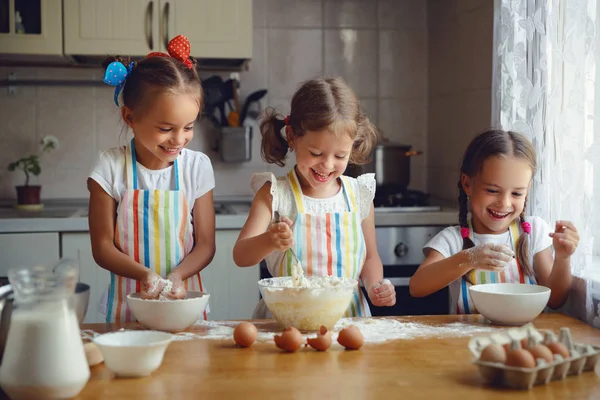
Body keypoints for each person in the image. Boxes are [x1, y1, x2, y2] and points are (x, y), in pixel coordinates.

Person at [233, 77, 396, 318]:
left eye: (340, 156)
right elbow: (241, 255)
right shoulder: (274, 195)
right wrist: (269, 241)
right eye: (316, 153)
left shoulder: (358, 195)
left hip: (348, 318)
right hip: (288, 319)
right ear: (292, 137)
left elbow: (370, 257)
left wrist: (374, 287)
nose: (327, 165)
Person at [87, 35, 216, 323]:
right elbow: (102, 247)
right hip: (127, 311)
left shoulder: (197, 167)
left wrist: (177, 277)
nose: (178, 139)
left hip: (184, 307)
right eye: (166, 128)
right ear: (130, 117)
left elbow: (206, 244)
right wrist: (144, 276)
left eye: (188, 127)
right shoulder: (110, 168)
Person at [409, 129, 579, 313]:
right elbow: (417, 287)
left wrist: (563, 258)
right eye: (492, 190)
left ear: (527, 189)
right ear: (467, 184)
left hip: (523, 339)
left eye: (516, 193)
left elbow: (555, 299)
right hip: (467, 340)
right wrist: (469, 258)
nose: (504, 203)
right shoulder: (453, 240)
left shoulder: (534, 232)